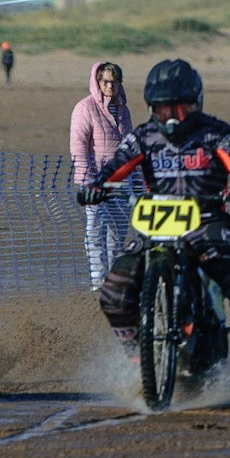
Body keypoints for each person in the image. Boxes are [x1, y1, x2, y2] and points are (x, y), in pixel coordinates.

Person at [77, 58, 230, 384]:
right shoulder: (143, 136)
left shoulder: (216, 132)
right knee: (113, 292)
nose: (172, 118)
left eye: (180, 109)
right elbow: (116, 166)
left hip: (206, 219)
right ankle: (137, 351)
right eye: (163, 110)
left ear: (195, 103)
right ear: (151, 108)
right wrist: (95, 187)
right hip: (156, 219)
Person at [70, 61, 132, 288]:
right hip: (95, 181)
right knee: (95, 229)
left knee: (118, 229)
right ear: (98, 82)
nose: (110, 86)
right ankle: (98, 279)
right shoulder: (85, 108)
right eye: (105, 81)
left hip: (122, 179)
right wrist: (86, 180)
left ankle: (112, 277)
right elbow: (78, 145)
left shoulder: (123, 109)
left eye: (114, 82)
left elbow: (129, 144)